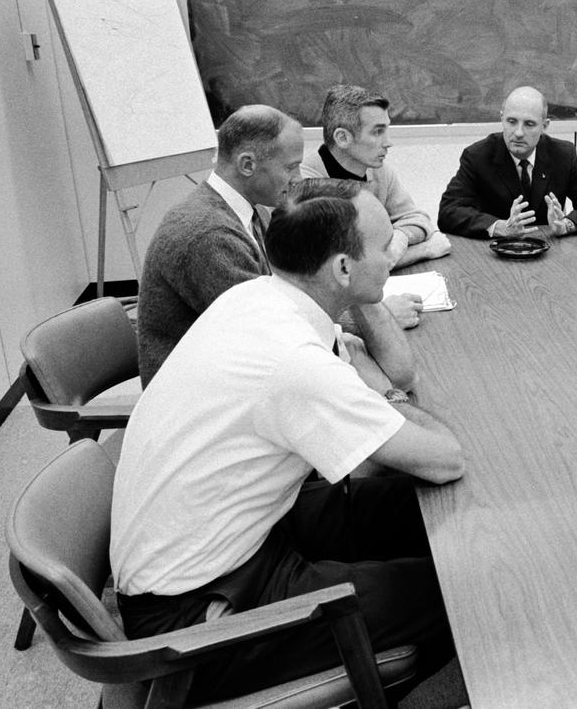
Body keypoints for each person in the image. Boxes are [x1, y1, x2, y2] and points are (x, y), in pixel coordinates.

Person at [111, 187, 466, 703]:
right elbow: (444, 458)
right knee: (458, 588)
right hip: (196, 619)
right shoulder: (292, 359)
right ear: (343, 268)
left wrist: (381, 383)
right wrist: (388, 399)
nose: (394, 256)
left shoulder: (260, 298)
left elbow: (381, 377)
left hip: (237, 538)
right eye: (385, 246)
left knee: (411, 513)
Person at [135, 104, 303, 386]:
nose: (298, 179)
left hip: (227, 369)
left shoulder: (252, 210)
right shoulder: (208, 236)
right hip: (191, 395)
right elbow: (266, 330)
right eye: (290, 167)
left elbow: (287, 291)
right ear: (247, 165)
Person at [302, 84, 452, 269]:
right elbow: (344, 268)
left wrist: (401, 238)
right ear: (342, 138)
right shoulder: (306, 183)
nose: (388, 142)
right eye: (377, 132)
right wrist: (424, 250)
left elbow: (417, 219)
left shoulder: (380, 171)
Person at [437, 86, 577, 238]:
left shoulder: (563, 155)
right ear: (501, 119)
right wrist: (499, 227)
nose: (519, 132)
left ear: (544, 126)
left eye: (529, 124)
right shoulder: (478, 156)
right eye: (512, 122)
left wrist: (566, 225)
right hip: (495, 252)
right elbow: (448, 212)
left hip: (548, 249)